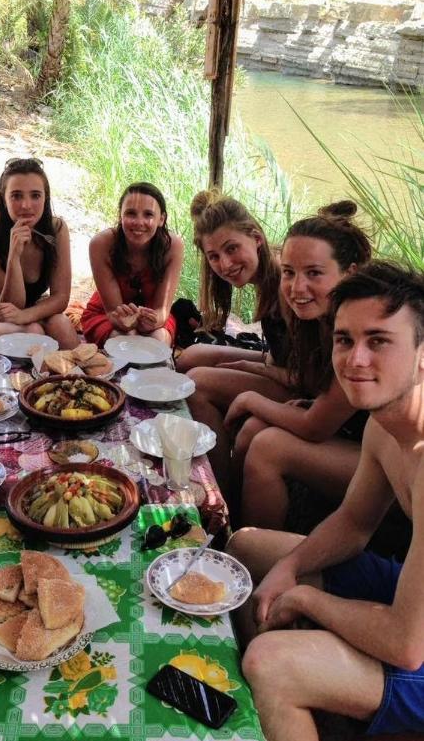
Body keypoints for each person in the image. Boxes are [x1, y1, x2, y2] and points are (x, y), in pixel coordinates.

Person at [228, 261, 424, 741]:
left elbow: (406, 646)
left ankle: (291, 696)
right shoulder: (388, 422)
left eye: (378, 341)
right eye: (344, 340)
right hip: (410, 595)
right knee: (245, 548)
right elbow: (354, 524)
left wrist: (305, 596)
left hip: (415, 641)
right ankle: (273, 713)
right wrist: (292, 568)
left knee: (268, 661)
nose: (355, 360)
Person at [226, 201, 372, 528]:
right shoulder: (318, 319)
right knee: (252, 430)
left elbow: (314, 427)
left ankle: (256, 559)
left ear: (350, 273)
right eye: (289, 272)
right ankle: (229, 525)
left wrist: (250, 398)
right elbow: (311, 385)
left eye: (314, 273)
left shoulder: (362, 328)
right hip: (356, 437)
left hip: (400, 462)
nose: (297, 287)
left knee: (268, 447)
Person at [178, 192, 292, 480]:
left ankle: (222, 486)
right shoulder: (264, 277)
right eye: (214, 256)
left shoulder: (286, 285)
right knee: (191, 356)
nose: (225, 265)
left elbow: (310, 378)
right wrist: (260, 363)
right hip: (279, 364)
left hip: (298, 385)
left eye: (232, 249)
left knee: (197, 384)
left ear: (256, 237)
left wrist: (253, 367)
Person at [0, 157, 78, 348]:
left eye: (35, 195)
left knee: (61, 324)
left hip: (28, 310)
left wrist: (26, 315)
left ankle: (83, 376)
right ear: (4, 199)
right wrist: (14, 256)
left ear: (46, 198)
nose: (26, 205)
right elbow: (10, 307)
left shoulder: (56, 229)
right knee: (33, 331)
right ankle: (32, 377)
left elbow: (60, 298)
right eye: (17, 196)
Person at [81, 182, 183, 347]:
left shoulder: (172, 246)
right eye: (131, 213)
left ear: (161, 219)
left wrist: (154, 320)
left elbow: (162, 310)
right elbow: (113, 311)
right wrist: (126, 323)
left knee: (158, 341)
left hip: (153, 316)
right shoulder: (101, 244)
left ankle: (158, 372)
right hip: (106, 315)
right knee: (126, 341)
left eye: (148, 214)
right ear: (120, 216)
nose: (139, 222)